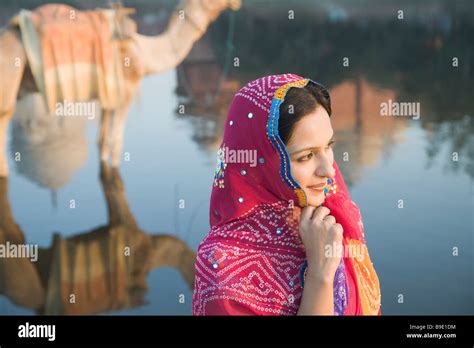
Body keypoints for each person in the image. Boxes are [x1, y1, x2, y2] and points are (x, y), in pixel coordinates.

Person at [192, 73, 381, 315]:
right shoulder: (224, 265)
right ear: (263, 163)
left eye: (329, 147)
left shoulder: (332, 219)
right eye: (306, 156)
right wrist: (320, 275)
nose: (328, 171)